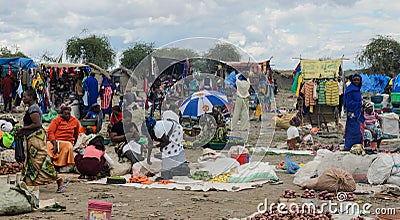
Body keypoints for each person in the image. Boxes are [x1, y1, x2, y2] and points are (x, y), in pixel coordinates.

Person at [17, 89, 65, 193]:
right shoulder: (31, 108)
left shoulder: (33, 109)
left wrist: (23, 129)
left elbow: (37, 124)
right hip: (32, 138)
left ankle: (58, 179)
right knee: (31, 163)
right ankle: (29, 184)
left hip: (36, 139)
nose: (23, 98)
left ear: (31, 97)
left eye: (25, 96)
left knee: (41, 161)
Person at [145, 111, 190, 180]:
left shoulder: (157, 129)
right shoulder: (151, 131)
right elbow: (150, 144)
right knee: (172, 150)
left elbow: (166, 142)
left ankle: (165, 175)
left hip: (176, 130)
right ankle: (182, 168)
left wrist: (156, 146)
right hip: (171, 132)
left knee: (168, 151)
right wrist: (148, 159)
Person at [47, 106, 80, 170]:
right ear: (61, 114)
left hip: (67, 142)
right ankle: (50, 164)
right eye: (66, 114)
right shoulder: (56, 120)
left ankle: (61, 165)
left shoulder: (75, 121)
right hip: (55, 141)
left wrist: (74, 143)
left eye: (69, 114)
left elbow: (76, 134)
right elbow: (50, 132)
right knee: (48, 146)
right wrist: (55, 144)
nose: (68, 115)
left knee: (68, 146)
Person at [344, 74, 364, 151]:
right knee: (352, 130)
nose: (356, 81)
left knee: (358, 130)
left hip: (358, 113)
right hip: (352, 114)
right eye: (355, 80)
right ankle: (349, 146)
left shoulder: (357, 90)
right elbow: (348, 103)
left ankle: (357, 146)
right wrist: (359, 104)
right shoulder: (350, 90)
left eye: (358, 80)